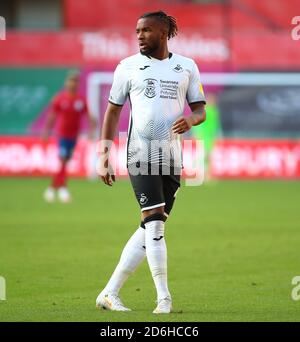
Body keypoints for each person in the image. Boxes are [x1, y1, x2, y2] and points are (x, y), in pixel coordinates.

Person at [96, 11, 206, 314]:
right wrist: (105, 155)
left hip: (172, 157)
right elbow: (113, 112)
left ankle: (109, 293)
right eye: (137, 31)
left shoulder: (187, 67)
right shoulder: (128, 67)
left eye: (146, 30)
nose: (140, 35)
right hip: (140, 155)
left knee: (149, 227)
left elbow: (200, 109)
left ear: (163, 33)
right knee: (155, 224)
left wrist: (191, 119)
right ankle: (164, 299)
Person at [42, 71, 95, 203]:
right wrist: (47, 131)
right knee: (63, 161)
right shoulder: (60, 98)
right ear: (66, 83)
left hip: (73, 137)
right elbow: (52, 116)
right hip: (62, 136)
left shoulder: (81, 100)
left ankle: (53, 188)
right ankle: (61, 189)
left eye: (75, 81)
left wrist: (91, 130)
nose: (73, 83)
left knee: (65, 163)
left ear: (77, 84)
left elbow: (89, 117)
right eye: (71, 81)